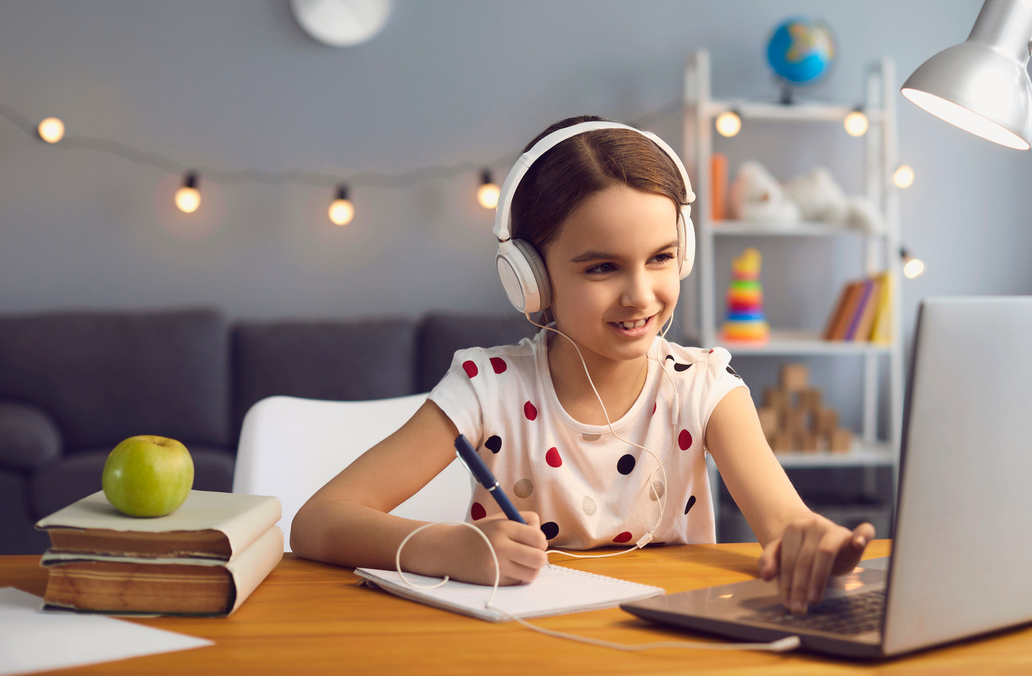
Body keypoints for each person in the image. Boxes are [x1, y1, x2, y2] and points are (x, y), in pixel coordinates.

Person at [291, 116, 875, 614]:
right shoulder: (486, 389)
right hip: (516, 646)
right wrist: (442, 547)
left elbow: (788, 522)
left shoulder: (705, 388)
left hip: (663, 645)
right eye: (602, 268)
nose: (641, 295)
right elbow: (317, 521)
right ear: (531, 277)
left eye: (661, 258)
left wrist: (812, 542)